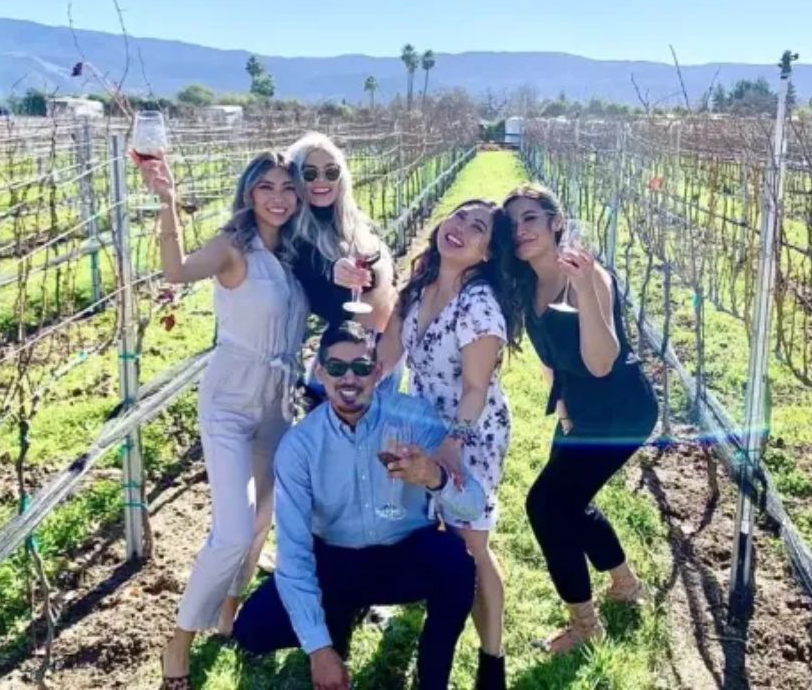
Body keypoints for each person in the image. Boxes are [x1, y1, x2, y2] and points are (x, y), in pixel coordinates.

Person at [135, 150, 309, 688]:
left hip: (279, 403)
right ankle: (179, 642)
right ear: (249, 193)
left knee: (261, 520)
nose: (278, 197)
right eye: (266, 187)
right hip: (231, 399)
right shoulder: (235, 248)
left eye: (287, 187)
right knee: (233, 529)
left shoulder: (302, 252)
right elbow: (176, 270)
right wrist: (167, 204)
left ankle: (228, 611)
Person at [233, 321, 484, 690]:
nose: (349, 378)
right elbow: (294, 553)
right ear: (320, 372)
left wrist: (434, 476)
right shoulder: (299, 447)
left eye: (362, 367)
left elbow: (473, 504)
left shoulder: (414, 417)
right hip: (335, 560)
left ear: (378, 371)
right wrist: (318, 650)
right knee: (253, 632)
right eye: (336, 367)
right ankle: (337, 620)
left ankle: (432, 677)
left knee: (456, 564)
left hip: (403, 554)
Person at [503, 183, 659, 653]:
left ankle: (586, 627)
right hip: (580, 410)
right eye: (511, 223)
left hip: (621, 411)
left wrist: (588, 287)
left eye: (530, 218)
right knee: (570, 498)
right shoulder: (527, 283)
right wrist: (564, 404)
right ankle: (626, 585)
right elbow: (552, 357)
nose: (520, 230)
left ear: (556, 222)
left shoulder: (589, 278)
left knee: (547, 506)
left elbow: (600, 362)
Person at [375, 199, 521, 690]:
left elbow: (476, 388)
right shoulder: (421, 283)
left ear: (485, 252)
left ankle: (491, 660)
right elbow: (389, 351)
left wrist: (453, 444)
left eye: (477, 228)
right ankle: (430, 608)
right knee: (421, 525)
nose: (460, 228)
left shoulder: (478, 305)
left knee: (471, 545)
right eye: (458, 217)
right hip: (421, 422)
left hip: (471, 432)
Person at [285, 132, 401, 407]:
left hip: (385, 352)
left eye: (331, 171)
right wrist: (334, 272)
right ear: (297, 179)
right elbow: (312, 275)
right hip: (346, 365)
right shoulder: (293, 236)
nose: (321, 181)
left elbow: (382, 283)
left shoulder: (356, 226)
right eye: (310, 173)